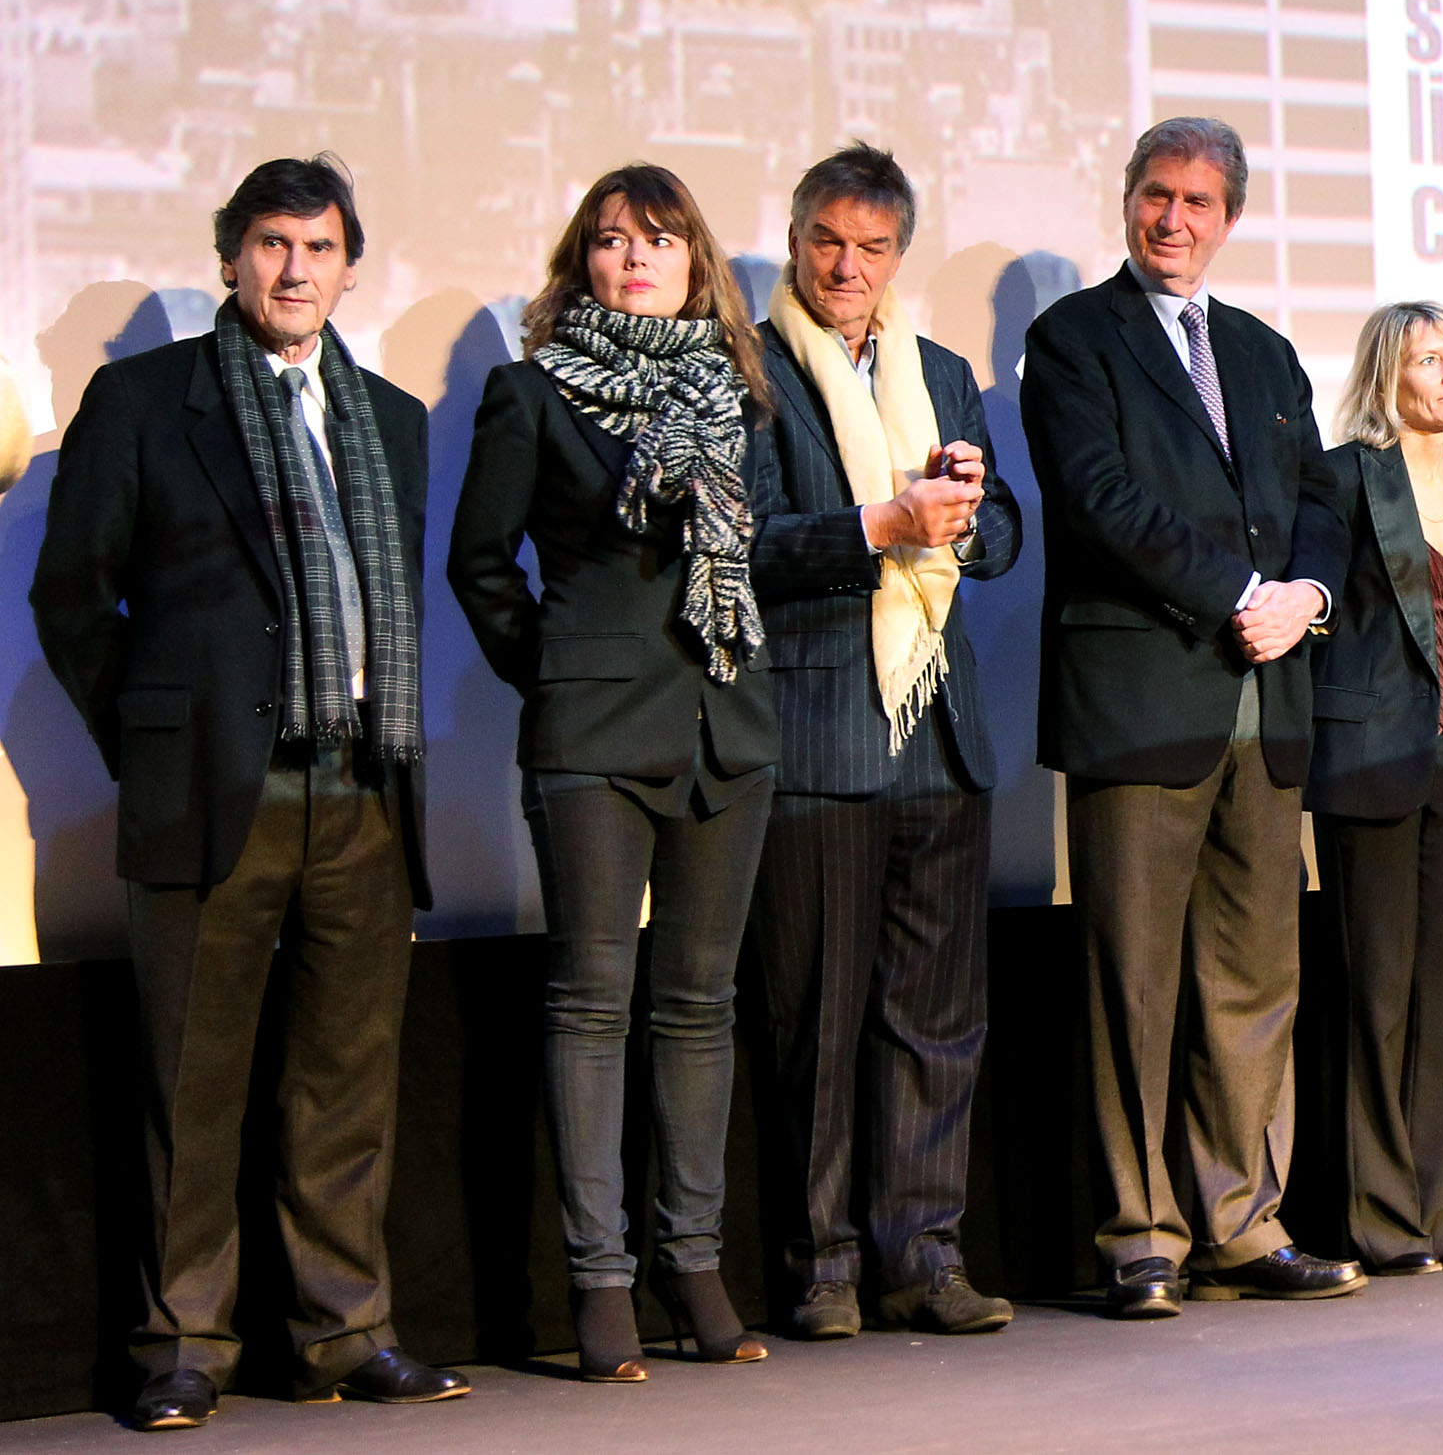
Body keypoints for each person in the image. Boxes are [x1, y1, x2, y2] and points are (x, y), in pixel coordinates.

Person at [33, 156, 468, 1430]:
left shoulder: (391, 417)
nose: (293, 269)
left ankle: (344, 1333)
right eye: (271, 244)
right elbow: (71, 598)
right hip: (214, 790)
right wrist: (155, 736)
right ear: (230, 258)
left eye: (318, 248)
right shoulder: (142, 400)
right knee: (192, 1081)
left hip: (364, 782)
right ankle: (182, 1345)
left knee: (346, 1083)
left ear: (349, 268)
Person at [448, 164, 783, 1382]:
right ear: (580, 262)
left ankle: (691, 1264)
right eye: (608, 240)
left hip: (726, 728)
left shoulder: (741, 394)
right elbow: (480, 563)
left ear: (696, 261)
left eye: (657, 238)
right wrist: (556, 671)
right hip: (592, 734)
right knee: (592, 1004)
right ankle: (598, 1278)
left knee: (699, 1005)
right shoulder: (530, 392)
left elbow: (765, 553)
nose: (633, 258)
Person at [1021, 117, 1355, 1316]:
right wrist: (1241, 594)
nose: (1173, 218)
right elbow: (1100, 500)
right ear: (1127, 201)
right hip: (1141, 703)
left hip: (1268, 707)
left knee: (1255, 982)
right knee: (1136, 984)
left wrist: (1308, 596)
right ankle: (1140, 1235)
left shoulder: (1263, 352)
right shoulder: (1072, 338)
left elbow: (1320, 501)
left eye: (1198, 201)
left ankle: (1243, 1226)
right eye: (1156, 195)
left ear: (1230, 218)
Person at [747, 144, 1023, 1339]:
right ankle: (822, 1266)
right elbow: (743, 547)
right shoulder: (746, 366)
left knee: (935, 1019)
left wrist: (966, 504)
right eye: (827, 242)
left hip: (938, 730)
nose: (846, 267)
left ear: (899, 256)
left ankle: (925, 1256)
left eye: (870, 248)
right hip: (818, 731)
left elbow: (1001, 539)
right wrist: (880, 523)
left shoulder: (942, 372)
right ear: (795, 241)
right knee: (816, 1021)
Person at [1303, 304, 1443, 1276]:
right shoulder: (1344, 474)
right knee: (1376, 994)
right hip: (1372, 755)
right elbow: (1317, 598)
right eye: (1430, 358)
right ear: (1390, 376)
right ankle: (1379, 1216)